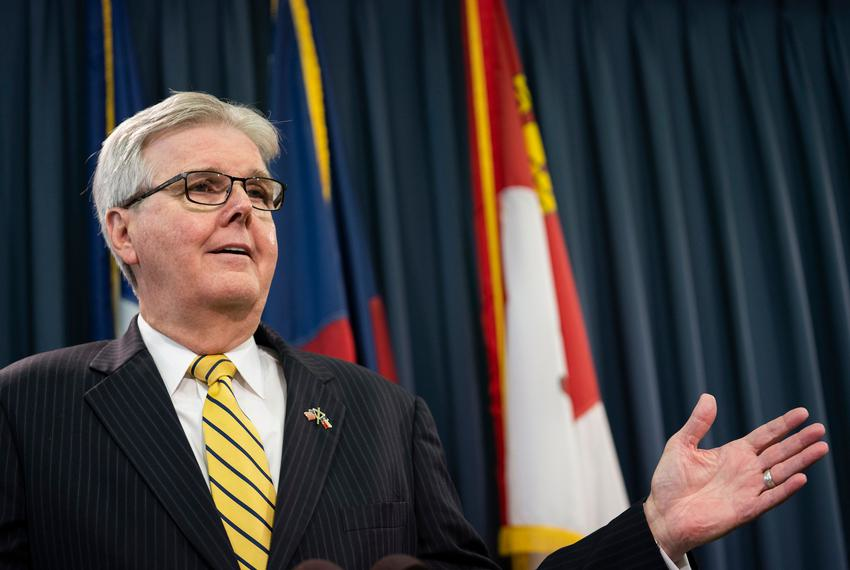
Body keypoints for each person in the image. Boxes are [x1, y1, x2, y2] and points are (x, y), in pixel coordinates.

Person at [0, 92, 828, 570]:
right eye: (204, 186)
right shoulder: (27, 406)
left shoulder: (383, 415)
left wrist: (650, 532)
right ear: (122, 231)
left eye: (258, 190)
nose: (244, 208)